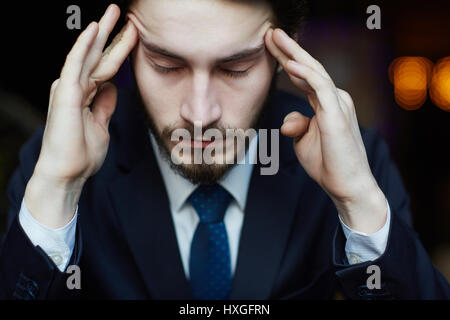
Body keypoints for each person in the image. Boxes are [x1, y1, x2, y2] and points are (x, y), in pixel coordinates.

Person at [0, 0, 449, 300]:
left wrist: (357, 204)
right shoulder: (53, 159)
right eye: (165, 64)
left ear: (282, 53)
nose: (200, 113)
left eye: (236, 68)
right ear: (126, 51)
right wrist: (58, 191)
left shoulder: (357, 158)